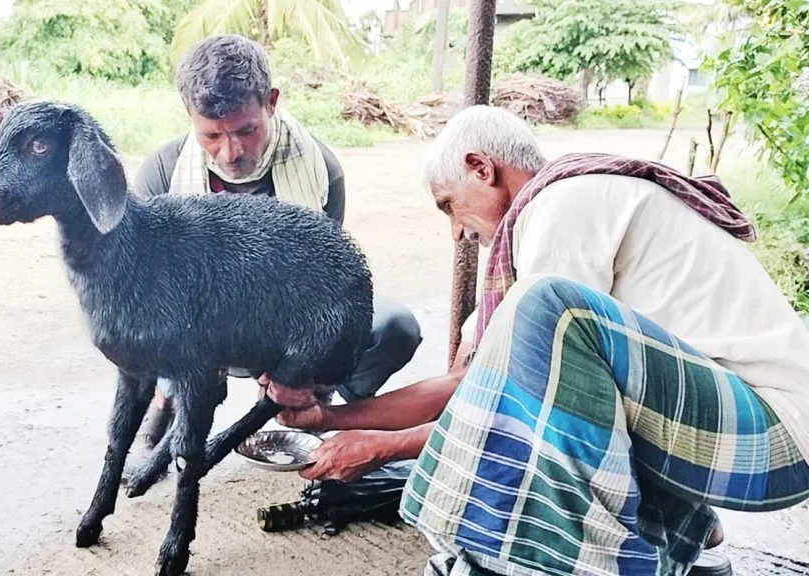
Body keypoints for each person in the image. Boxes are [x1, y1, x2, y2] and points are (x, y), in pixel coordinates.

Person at [271, 105, 809, 576]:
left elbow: (517, 407)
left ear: (481, 168)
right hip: (721, 436)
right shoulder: (540, 233)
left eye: (447, 205)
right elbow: (467, 386)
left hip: (773, 439)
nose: (457, 232)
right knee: (538, 358)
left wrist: (386, 447)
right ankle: (699, 546)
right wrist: (332, 419)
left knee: (544, 320)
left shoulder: (567, 202)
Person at [127, 34, 423, 456]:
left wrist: (296, 365)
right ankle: (166, 403)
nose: (231, 152)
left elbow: (324, 289)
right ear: (189, 115)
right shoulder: (162, 175)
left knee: (394, 327)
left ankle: (312, 401)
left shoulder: (320, 171)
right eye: (212, 136)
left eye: (246, 130)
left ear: (271, 101)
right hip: (201, 327)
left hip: (285, 326)